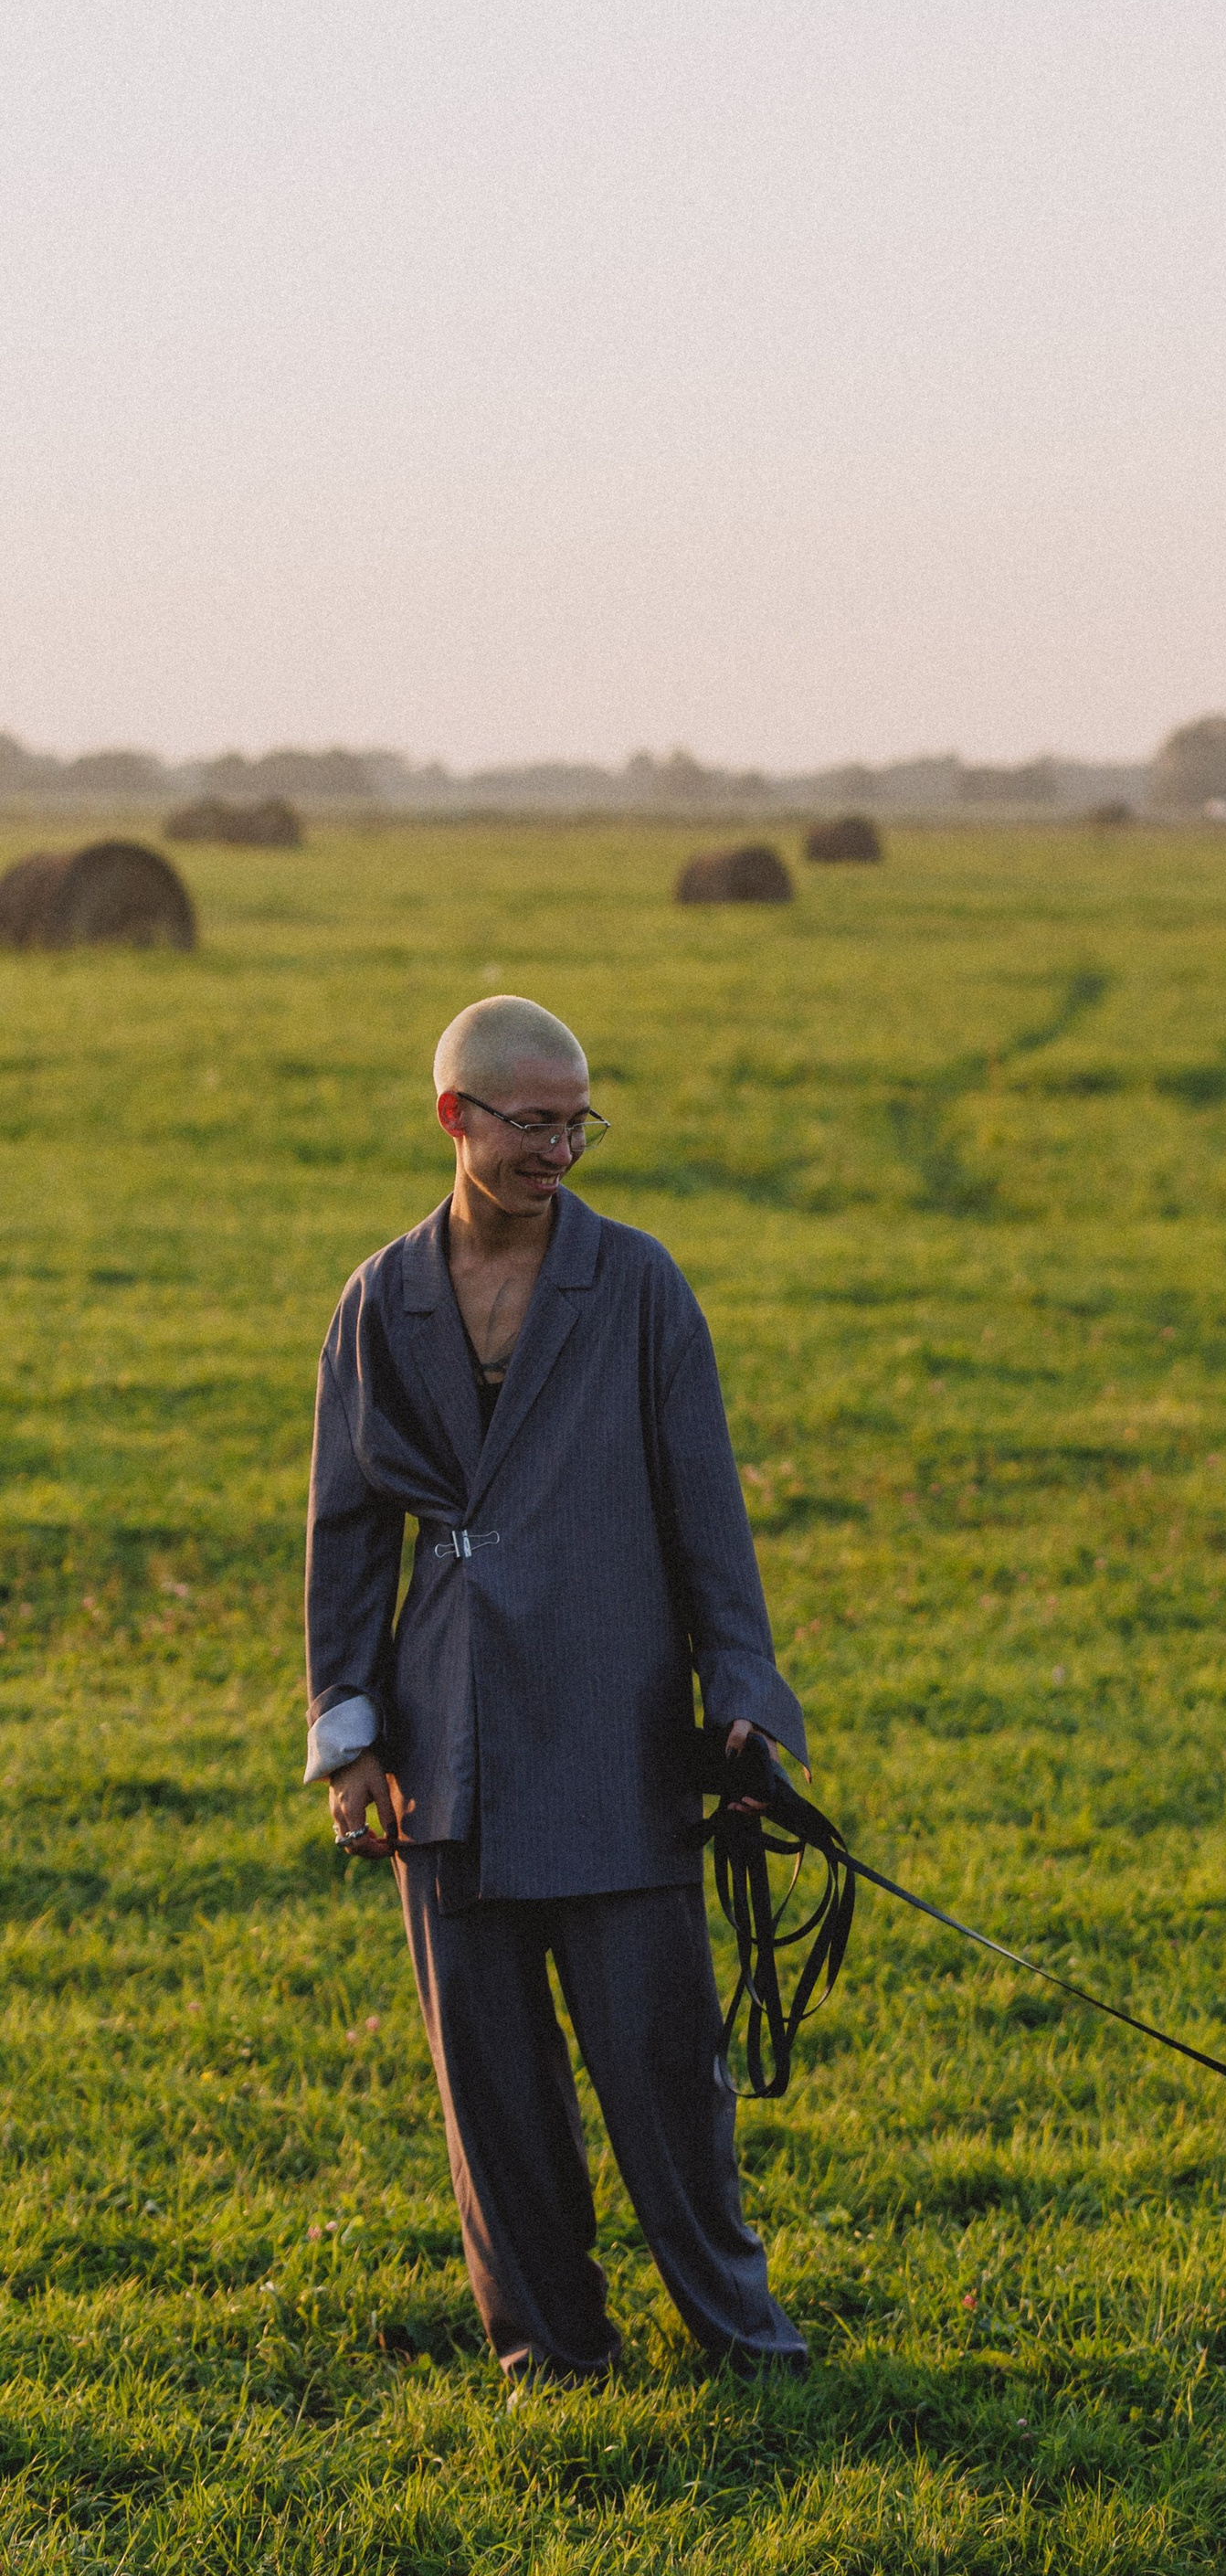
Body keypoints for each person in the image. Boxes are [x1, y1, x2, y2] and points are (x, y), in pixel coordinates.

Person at [305, 994, 809, 2388]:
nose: (562, 1150)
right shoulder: (379, 1300)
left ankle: (744, 2337)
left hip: (617, 1727)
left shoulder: (640, 1286)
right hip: (444, 1742)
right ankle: (549, 2353)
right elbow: (347, 1532)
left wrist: (744, 1692)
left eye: (580, 1121)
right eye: (534, 1123)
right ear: (455, 1118)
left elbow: (708, 1517)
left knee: (664, 2076)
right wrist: (350, 1740)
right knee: (494, 2089)